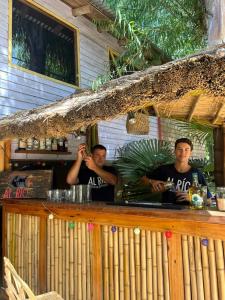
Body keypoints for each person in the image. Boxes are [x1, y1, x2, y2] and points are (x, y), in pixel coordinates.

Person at [142, 138, 211, 204]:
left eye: (186, 149)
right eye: (179, 149)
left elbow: (208, 200)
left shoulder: (196, 173)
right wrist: (152, 182)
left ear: (190, 153)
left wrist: (192, 198)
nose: (183, 152)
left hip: (189, 213)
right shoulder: (164, 169)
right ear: (174, 151)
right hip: (166, 211)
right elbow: (143, 180)